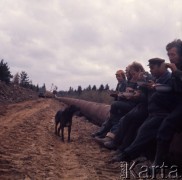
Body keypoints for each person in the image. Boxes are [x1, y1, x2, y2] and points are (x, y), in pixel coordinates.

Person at [110, 58, 172, 163]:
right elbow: (148, 96)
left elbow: (166, 96)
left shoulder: (167, 78)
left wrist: (146, 90)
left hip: (158, 112)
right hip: (151, 111)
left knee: (140, 130)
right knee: (134, 125)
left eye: (152, 68)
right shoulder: (157, 78)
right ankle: (121, 148)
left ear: (160, 67)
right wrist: (142, 90)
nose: (151, 70)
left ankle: (125, 153)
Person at [93, 62, 145, 144]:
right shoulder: (130, 81)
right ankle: (104, 134)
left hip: (135, 106)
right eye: (127, 72)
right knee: (113, 116)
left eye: (128, 72)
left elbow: (140, 95)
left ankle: (111, 138)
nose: (128, 73)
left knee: (117, 114)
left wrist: (130, 95)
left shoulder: (139, 80)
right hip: (128, 103)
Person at [153, 39, 182, 167]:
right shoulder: (176, 69)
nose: (170, 58)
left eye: (173, 55)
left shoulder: (177, 70)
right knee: (157, 96)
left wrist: (176, 72)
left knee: (167, 124)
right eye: (168, 55)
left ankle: (158, 163)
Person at [91, 69, 127, 138]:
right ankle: (100, 133)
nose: (117, 78)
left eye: (118, 76)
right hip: (117, 105)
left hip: (121, 106)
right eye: (116, 76)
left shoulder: (125, 84)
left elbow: (126, 96)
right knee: (109, 118)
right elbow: (117, 94)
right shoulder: (119, 84)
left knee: (116, 120)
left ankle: (109, 135)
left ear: (123, 76)